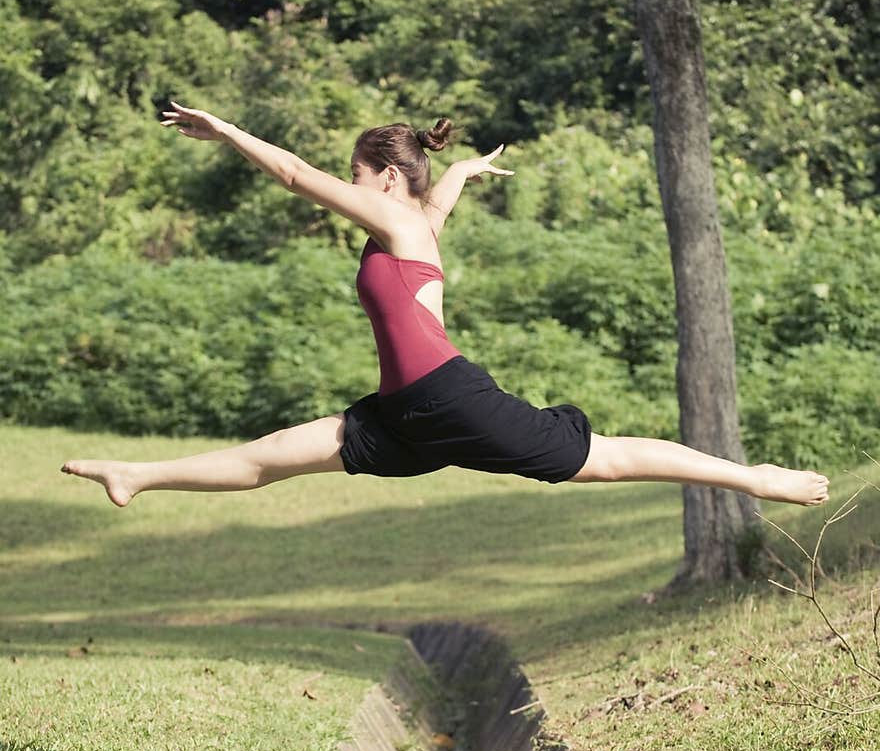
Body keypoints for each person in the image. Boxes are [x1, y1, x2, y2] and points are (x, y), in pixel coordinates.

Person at [62, 103, 829, 509]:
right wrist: (461, 167)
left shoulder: (395, 219)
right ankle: (136, 473)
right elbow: (444, 190)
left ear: (386, 179)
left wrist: (225, 131)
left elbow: (294, 174)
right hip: (408, 413)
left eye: (355, 174)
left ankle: (757, 478)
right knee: (272, 457)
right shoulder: (419, 220)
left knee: (607, 459)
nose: (347, 184)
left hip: (448, 399)